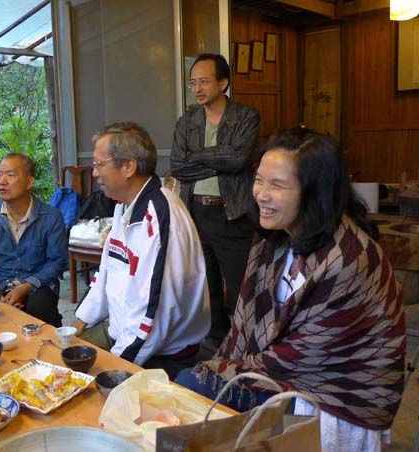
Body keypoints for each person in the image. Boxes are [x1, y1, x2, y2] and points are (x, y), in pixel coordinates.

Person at [176, 128, 406, 452]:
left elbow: (298, 359)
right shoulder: (273, 238)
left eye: (278, 185)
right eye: (259, 180)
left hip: (334, 398)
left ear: (313, 193)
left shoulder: (349, 260)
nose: (261, 194)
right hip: (279, 370)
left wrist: (217, 371)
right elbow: (243, 322)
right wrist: (217, 366)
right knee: (189, 390)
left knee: (191, 387)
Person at [72, 122, 210, 378]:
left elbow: (155, 313)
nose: (95, 173)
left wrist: (115, 369)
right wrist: (82, 320)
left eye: (99, 164)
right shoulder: (123, 205)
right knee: (61, 356)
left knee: (83, 386)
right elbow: (107, 271)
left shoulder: (160, 215)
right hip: (122, 332)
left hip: (157, 350)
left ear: (128, 166)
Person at [170, 53, 261, 350]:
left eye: (204, 81)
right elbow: (177, 166)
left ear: (223, 83)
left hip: (231, 212)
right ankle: (216, 338)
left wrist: (196, 157)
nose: (197, 88)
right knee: (206, 283)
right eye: (192, 82)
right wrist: (220, 162)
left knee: (240, 283)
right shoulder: (188, 121)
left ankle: (248, 342)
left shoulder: (245, 116)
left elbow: (239, 159)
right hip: (195, 210)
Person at [0, 153, 67, 327]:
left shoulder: (51, 217)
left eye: (10, 175)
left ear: (29, 182)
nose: (2, 181)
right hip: (0, 289)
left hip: (38, 287)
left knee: (40, 305)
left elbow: (57, 262)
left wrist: (26, 287)